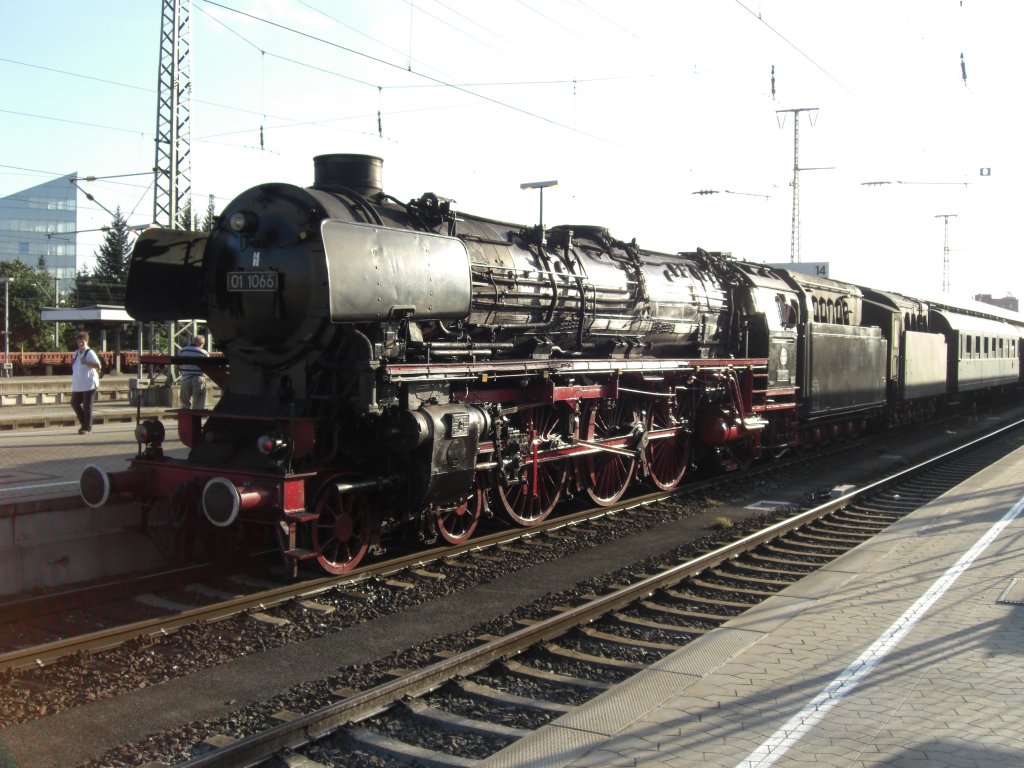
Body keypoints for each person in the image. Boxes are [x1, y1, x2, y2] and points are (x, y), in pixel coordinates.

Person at [70, 331, 101, 434]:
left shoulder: (90, 352)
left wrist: (86, 362)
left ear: (87, 342)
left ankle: (87, 428)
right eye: (79, 342)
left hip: (89, 384)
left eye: (83, 342)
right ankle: (85, 424)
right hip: (78, 385)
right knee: (74, 403)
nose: (81, 344)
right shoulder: (76, 353)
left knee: (87, 406)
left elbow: (98, 366)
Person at [179, 334, 210, 410]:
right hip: (198, 377)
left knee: (185, 400)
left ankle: (185, 414)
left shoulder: (182, 350)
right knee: (199, 399)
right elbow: (209, 366)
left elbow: (178, 365)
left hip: (185, 377)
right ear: (201, 343)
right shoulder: (204, 352)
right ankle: (197, 415)